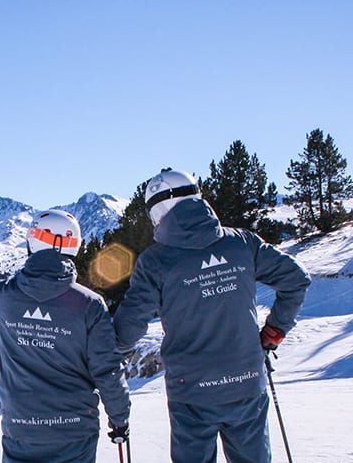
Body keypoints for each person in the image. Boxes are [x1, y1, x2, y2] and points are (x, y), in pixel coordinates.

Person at [113, 168, 310, 463]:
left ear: (157, 209)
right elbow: (295, 279)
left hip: (191, 391)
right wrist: (274, 332)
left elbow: (130, 326)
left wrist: (103, 353)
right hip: (246, 381)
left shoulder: (156, 261)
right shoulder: (242, 243)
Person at [0, 209, 132, 463]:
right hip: (75, 429)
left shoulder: (3, 296)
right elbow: (106, 370)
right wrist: (119, 419)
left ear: (33, 240)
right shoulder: (89, 304)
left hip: (22, 428)